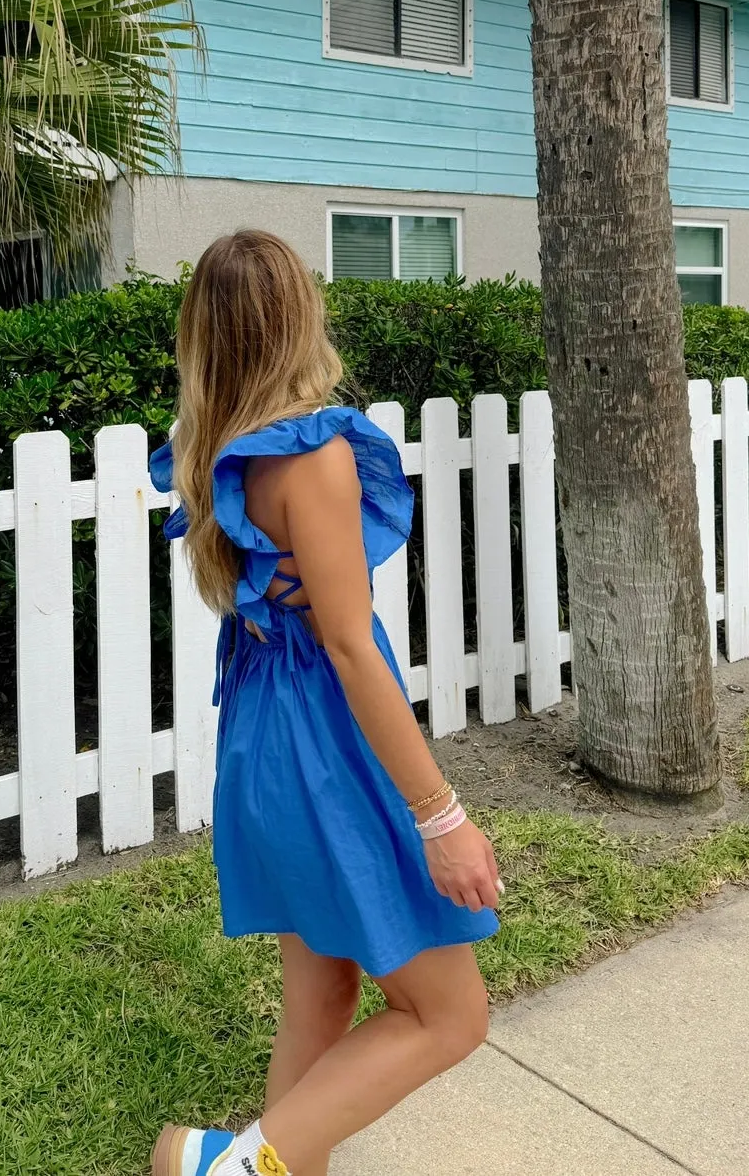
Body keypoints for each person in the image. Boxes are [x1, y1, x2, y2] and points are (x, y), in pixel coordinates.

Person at [148, 229, 502, 1176]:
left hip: (265, 737)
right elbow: (349, 645)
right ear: (300, 317)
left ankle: (261, 1166)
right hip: (328, 750)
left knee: (322, 1000)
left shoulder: (217, 451)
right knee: (451, 1013)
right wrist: (444, 816)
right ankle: (227, 1167)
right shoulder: (314, 454)